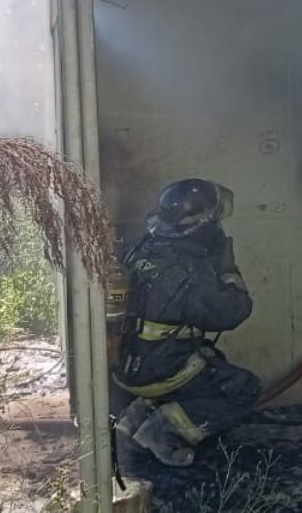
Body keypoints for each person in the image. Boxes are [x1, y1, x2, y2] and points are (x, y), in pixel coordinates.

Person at [113, 178, 260, 466]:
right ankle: (161, 430)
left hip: (124, 366)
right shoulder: (192, 269)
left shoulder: (138, 249)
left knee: (209, 358)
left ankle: (136, 416)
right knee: (243, 388)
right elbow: (233, 312)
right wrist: (229, 270)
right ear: (201, 225)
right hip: (160, 370)